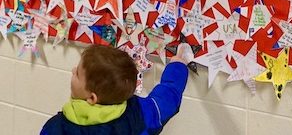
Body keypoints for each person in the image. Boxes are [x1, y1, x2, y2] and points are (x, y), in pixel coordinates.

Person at [40, 43, 194, 135]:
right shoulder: (141, 113)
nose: (73, 70)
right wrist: (178, 64)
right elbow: (168, 97)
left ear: (92, 98)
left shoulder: (56, 128)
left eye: (78, 74)